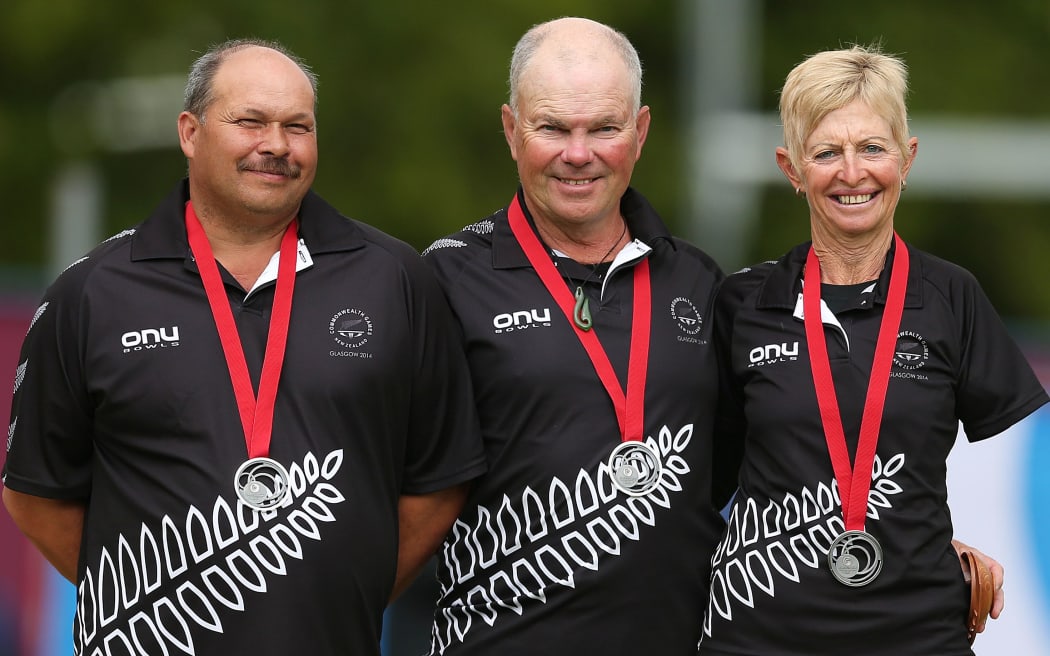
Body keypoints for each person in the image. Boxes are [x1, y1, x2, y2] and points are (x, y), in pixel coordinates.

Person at [1, 38, 486, 655]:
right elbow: (36, 495)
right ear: (190, 132)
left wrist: (344, 587)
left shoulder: (396, 280)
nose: (276, 145)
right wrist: (157, 601)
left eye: (297, 127)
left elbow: (439, 480)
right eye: (250, 121)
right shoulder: (91, 292)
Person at [699, 45, 1048, 655]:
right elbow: (700, 485)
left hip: (917, 635)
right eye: (826, 152)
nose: (852, 172)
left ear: (907, 158)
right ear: (791, 167)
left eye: (872, 148)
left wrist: (947, 542)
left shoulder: (950, 296)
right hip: (760, 637)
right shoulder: (741, 304)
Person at [419, 17, 730, 655]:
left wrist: (912, 540)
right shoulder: (444, 280)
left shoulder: (700, 283)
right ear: (511, 130)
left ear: (640, 132)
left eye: (604, 129)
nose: (579, 154)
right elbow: (375, 478)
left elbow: (774, 459)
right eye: (553, 128)